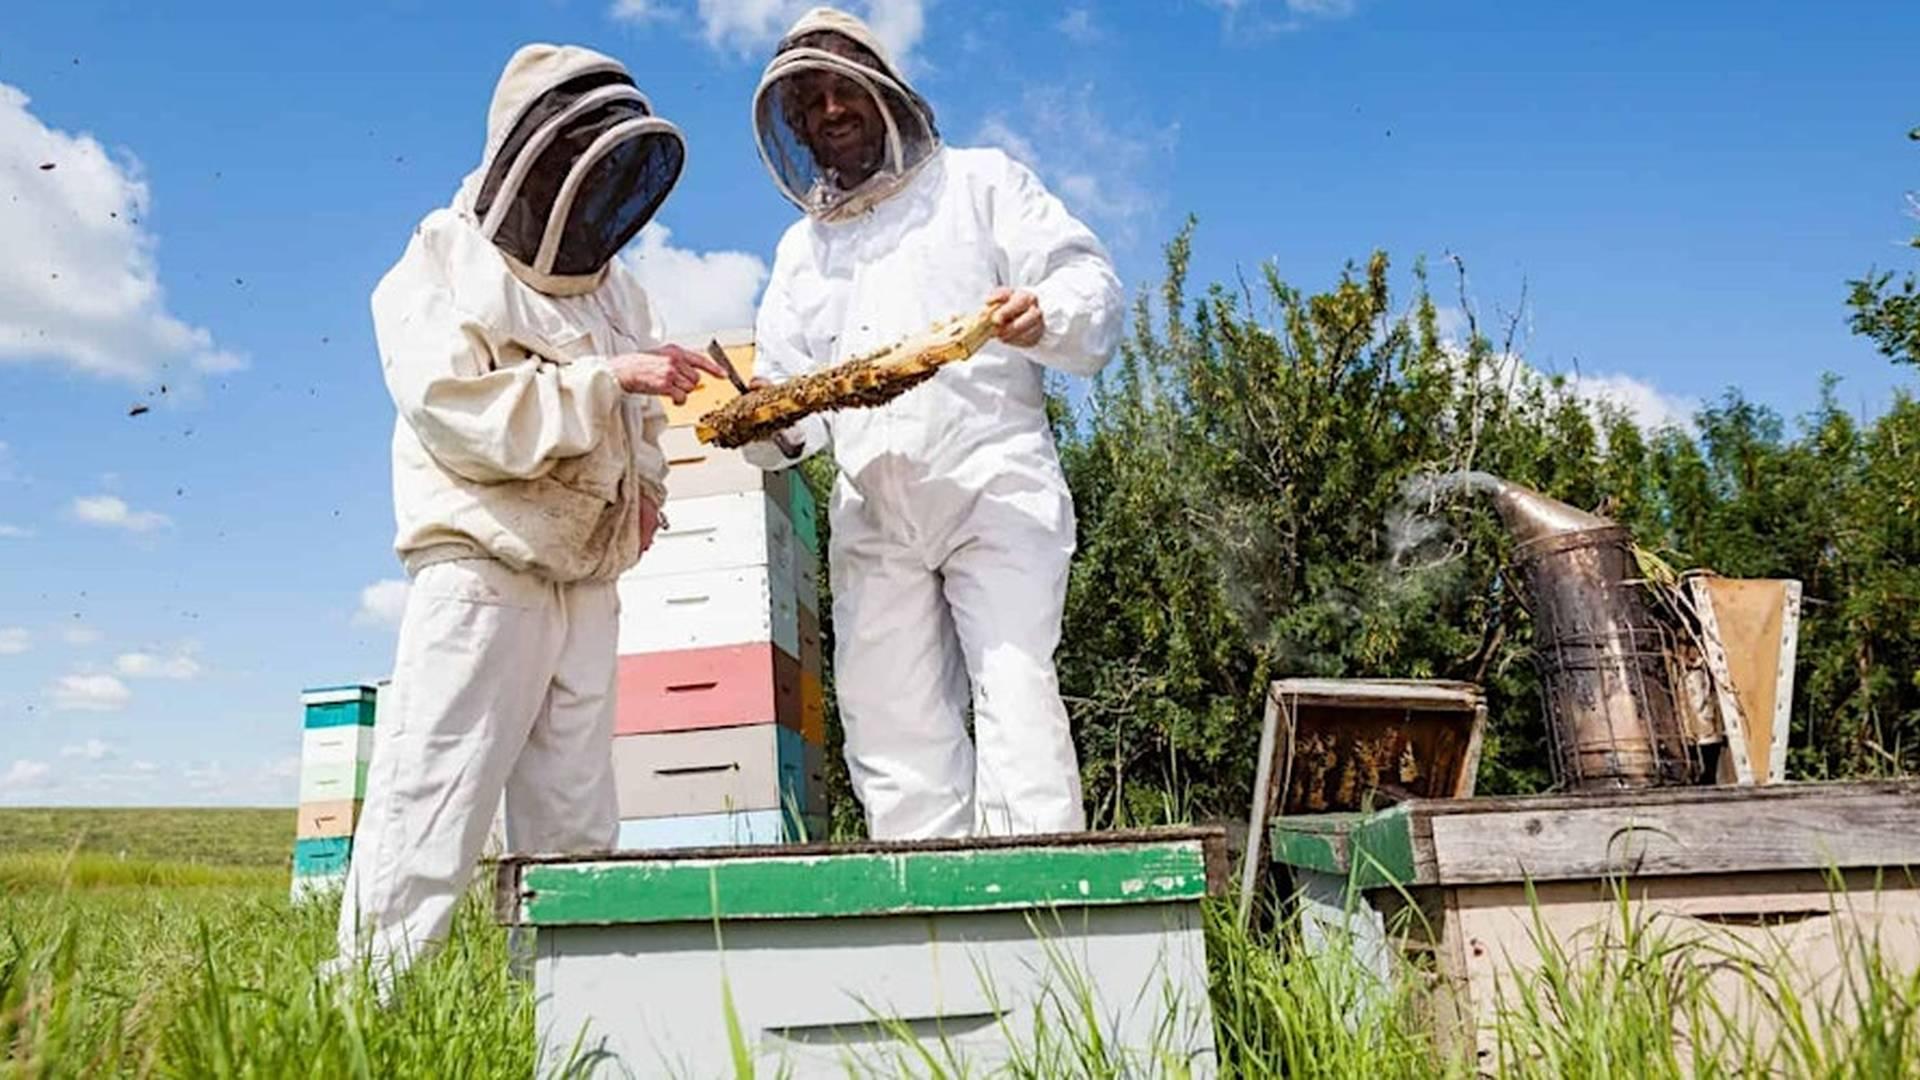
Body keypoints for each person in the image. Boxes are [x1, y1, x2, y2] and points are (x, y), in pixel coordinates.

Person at [326, 43, 725, 990]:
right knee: (436, 793)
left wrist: (650, 493)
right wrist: (607, 380)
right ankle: (361, 1005)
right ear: (528, 154)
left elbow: (641, 420)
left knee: (578, 815)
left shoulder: (620, 286)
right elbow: (462, 415)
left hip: (585, 577)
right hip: (485, 566)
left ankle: (572, 1005)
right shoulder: (438, 259)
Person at [742, 7, 1124, 840]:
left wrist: (1042, 312)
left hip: (994, 484)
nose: (829, 111)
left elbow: (1085, 283)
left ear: (885, 94)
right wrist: (769, 427)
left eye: (844, 89)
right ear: (795, 127)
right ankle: (931, 930)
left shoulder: (981, 184)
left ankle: (1048, 924)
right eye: (810, 102)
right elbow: (794, 403)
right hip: (875, 511)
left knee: (1015, 690)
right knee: (889, 718)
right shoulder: (802, 252)